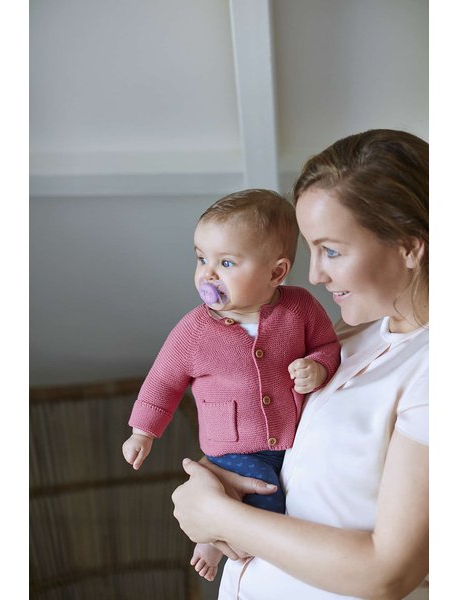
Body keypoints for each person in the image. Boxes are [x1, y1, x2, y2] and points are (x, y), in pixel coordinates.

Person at [171, 129, 429, 599]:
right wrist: (222, 476)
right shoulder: (352, 334)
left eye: (332, 250)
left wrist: (218, 516)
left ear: (409, 246)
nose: (313, 275)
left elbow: (388, 573)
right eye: (311, 249)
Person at [122, 189, 341, 582]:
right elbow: (163, 381)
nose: (208, 274)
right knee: (264, 493)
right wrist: (143, 431)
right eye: (201, 259)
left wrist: (319, 368)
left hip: (290, 441)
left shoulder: (300, 308)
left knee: (289, 494)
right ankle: (224, 544)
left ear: (276, 273)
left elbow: (327, 346)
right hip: (232, 447)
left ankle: (222, 535)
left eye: (225, 263)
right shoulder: (194, 330)